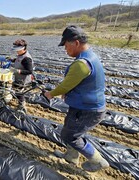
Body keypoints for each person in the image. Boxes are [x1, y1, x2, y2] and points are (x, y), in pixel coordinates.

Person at [44, 25, 109, 172]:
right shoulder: (89, 56)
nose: (66, 50)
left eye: (66, 46)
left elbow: (65, 86)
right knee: (71, 128)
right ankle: (71, 157)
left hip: (88, 109)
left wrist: (50, 94)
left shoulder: (82, 64)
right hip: (83, 106)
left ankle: (98, 162)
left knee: (70, 135)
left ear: (76, 43)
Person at [9, 39, 34, 112]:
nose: (17, 51)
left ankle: (22, 106)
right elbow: (19, 60)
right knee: (17, 91)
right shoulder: (20, 55)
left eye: (18, 50)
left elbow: (29, 71)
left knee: (20, 93)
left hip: (23, 79)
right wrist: (12, 60)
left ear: (24, 49)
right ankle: (19, 101)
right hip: (18, 77)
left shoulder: (27, 59)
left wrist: (18, 71)